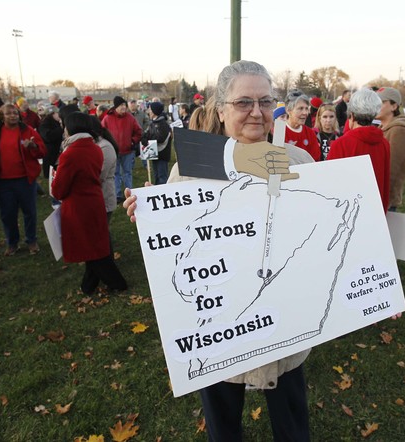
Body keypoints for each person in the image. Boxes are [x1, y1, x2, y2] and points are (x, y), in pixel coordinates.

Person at [125, 60, 312, 442]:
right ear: (221, 109)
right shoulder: (191, 171)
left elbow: (329, 237)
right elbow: (174, 249)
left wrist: (376, 287)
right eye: (244, 102)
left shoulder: (300, 163)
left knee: (292, 424)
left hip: (286, 322)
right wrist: (147, 217)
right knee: (223, 427)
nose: (257, 112)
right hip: (219, 329)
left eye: (265, 101)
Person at [51, 112, 128, 294]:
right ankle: (89, 285)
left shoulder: (71, 153)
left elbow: (58, 190)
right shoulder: (94, 147)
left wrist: (55, 179)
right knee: (93, 246)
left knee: (92, 250)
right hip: (93, 201)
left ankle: (116, 283)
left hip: (78, 206)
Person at [0, 104, 46, 256]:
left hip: (25, 180)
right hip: (3, 181)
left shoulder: (28, 131)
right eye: (9, 113)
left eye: (15, 113)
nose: (13, 116)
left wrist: (33, 146)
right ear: (1, 116)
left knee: (29, 212)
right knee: (7, 214)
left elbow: (42, 151)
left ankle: (31, 240)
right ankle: (12, 243)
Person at [327, 88, 391, 212]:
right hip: (374, 211)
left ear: (351, 115)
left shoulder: (341, 144)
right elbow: (385, 182)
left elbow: (331, 185)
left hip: (347, 214)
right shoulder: (384, 143)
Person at [377, 87, 405, 211]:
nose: (376, 105)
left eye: (381, 102)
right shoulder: (381, 128)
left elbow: (393, 169)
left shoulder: (400, 130)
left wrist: (383, 201)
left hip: (385, 199)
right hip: (375, 194)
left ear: (394, 106)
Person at [102, 96, 143, 203]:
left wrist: (133, 141)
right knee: (115, 174)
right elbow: (102, 133)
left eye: (124, 105)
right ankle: (118, 194)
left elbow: (138, 131)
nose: (124, 107)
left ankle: (130, 193)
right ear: (116, 107)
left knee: (127, 172)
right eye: (121, 105)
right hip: (114, 152)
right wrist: (108, 145)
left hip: (128, 151)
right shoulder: (107, 119)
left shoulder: (130, 118)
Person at [141, 101, 172, 185]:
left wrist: (150, 139)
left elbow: (161, 138)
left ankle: (164, 193)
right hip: (154, 154)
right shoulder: (152, 123)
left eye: (150, 110)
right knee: (156, 175)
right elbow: (146, 133)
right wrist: (143, 138)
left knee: (162, 177)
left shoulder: (163, 124)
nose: (149, 111)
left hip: (162, 155)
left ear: (155, 111)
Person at [284, 89, 319, 161]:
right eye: (300, 108)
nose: (305, 113)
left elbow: (315, 159)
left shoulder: (310, 133)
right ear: (288, 110)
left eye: (306, 109)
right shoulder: (279, 131)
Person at [37, 106, 63, 181]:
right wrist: (60, 129)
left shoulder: (55, 122)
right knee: (50, 175)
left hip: (55, 151)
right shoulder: (45, 124)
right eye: (58, 113)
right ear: (53, 114)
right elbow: (48, 136)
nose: (60, 115)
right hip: (50, 152)